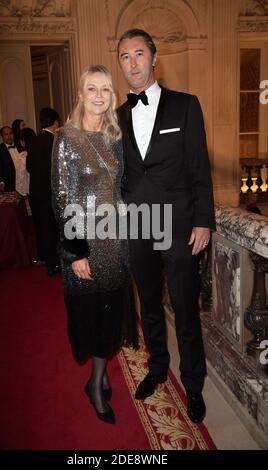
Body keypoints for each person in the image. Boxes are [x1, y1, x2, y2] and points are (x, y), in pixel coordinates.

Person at [117, 29, 215, 424]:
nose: (133, 63)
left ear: (154, 58)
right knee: (151, 306)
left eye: (139, 54)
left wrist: (204, 221)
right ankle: (158, 369)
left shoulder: (186, 106)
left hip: (177, 228)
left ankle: (193, 385)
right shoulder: (117, 116)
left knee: (186, 311)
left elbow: (199, 170)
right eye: (125, 56)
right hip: (137, 226)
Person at [52, 65, 138, 425]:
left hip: (115, 241)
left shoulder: (116, 137)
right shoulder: (67, 138)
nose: (99, 95)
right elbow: (61, 196)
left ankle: (97, 381)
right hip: (84, 243)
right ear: (80, 94)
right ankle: (96, 384)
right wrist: (76, 253)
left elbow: (123, 187)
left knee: (110, 314)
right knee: (92, 317)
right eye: (92, 88)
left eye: (105, 88)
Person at [27, 108, 60, 276]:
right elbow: (56, 170)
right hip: (50, 193)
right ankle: (53, 265)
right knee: (52, 229)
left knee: (41, 227)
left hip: (36, 193)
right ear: (55, 123)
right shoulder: (54, 141)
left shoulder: (33, 140)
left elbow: (29, 167)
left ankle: (45, 259)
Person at [0, 126, 16, 192]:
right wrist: (1, 181)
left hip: (22, 183)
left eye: (10, 133)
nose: (9, 136)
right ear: (2, 136)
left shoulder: (20, 147)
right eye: (6, 134)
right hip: (9, 185)